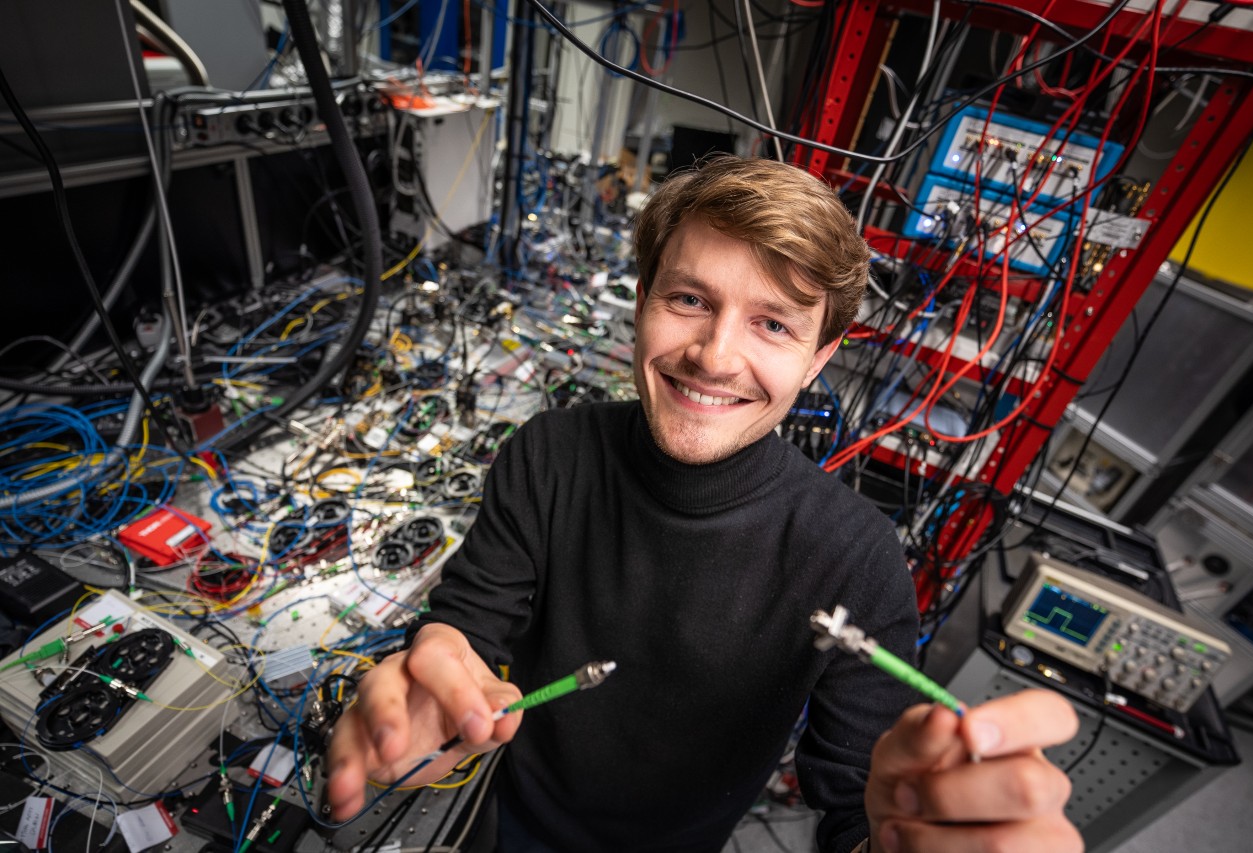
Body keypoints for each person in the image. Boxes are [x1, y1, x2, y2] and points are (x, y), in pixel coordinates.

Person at [327, 156, 1083, 853]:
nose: (715, 355)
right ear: (643, 301)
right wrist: (437, 674)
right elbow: (469, 625)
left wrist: (901, 836)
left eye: (774, 323)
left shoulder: (857, 557)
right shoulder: (549, 452)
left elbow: (862, 806)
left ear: (818, 360)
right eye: (689, 298)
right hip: (500, 819)